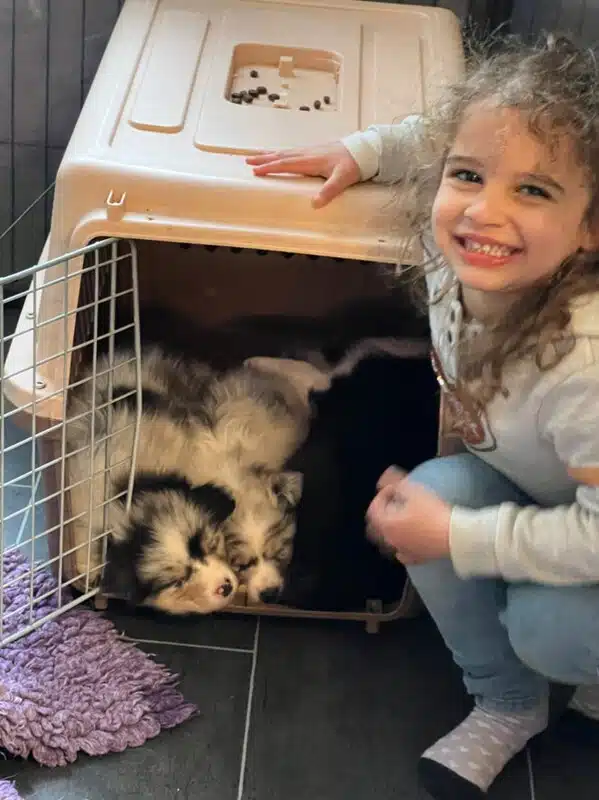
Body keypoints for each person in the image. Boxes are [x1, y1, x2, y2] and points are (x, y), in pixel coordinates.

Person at [246, 33, 599, 800]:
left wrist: (464, 538)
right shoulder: (464, 252)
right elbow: (435, 136)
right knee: (424, 504)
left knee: (548, 628)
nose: (484, 210)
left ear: (589, 228)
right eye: (466, 176)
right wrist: (362, 151)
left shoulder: (586, 362)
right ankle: (505, 704)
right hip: (541, 492)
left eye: (533, 191)